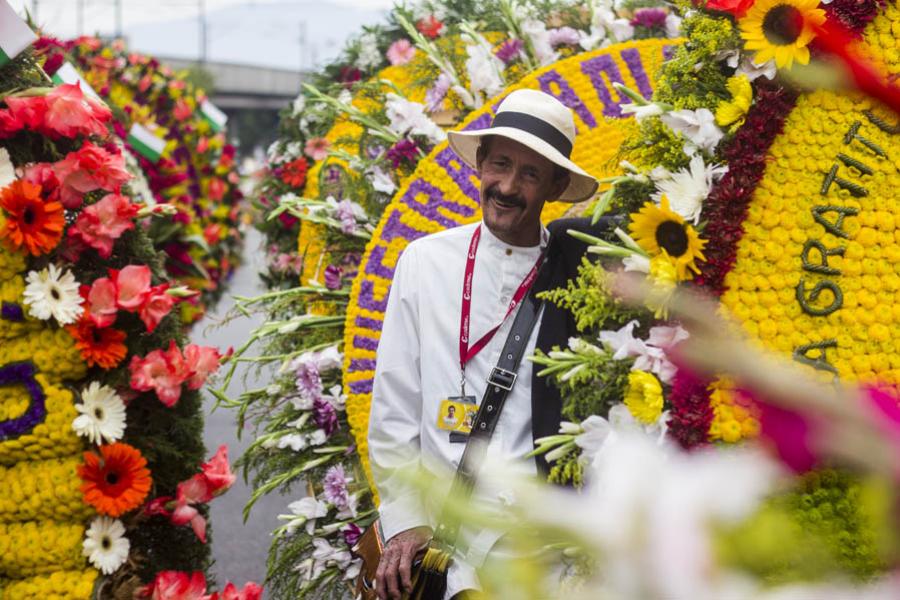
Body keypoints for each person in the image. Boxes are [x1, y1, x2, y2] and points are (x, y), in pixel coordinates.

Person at [368, 89, 608, 600]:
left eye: (530, 174)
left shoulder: (575, 273)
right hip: (443, 543)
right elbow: (393, 408)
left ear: (557, 185)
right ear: (480, 163)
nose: (507, 187)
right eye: (500, 164)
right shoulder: (424, 262)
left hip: (539, 555)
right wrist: (405, 520)